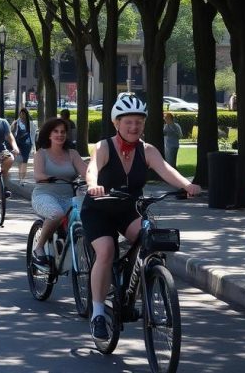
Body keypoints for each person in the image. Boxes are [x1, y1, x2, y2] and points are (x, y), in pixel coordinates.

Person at [83, 95, 200, 342]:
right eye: (128, 122)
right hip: (99, 209)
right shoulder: (104, 146)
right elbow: (92, 168)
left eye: (139, 122)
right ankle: (97, 312)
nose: (134, 127)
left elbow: (166, 170)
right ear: (117, 123)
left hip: (128, 209)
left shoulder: (147, 150)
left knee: (151, 239)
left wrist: (187, 185)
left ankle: (139, 285)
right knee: (105, 252)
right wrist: (93, 185)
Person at [30, 117, 88, 261]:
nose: (60, 134)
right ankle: (39, 247)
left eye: (63, 132)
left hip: (69, 198)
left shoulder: (72, 154)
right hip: (44, 195)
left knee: (88, 216)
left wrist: (96, 179)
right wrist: (49, 177)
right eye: (56, 131)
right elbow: (38, 175)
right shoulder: (41, 154)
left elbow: (86, 172)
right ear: (49, 134)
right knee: (56, 214)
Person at [12, 107, 34, 181]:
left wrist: (33, 146)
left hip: (27, 144)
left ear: (26, 115)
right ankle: (20, 177)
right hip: (18, 144)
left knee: (24, 161)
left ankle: (22, 179)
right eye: (21, 114)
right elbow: (12, 133)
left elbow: (33, 135)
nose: (22, 115)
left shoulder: (30, 123)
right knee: (19, 161)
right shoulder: (16, 122)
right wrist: (14, 127)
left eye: (23, 114)